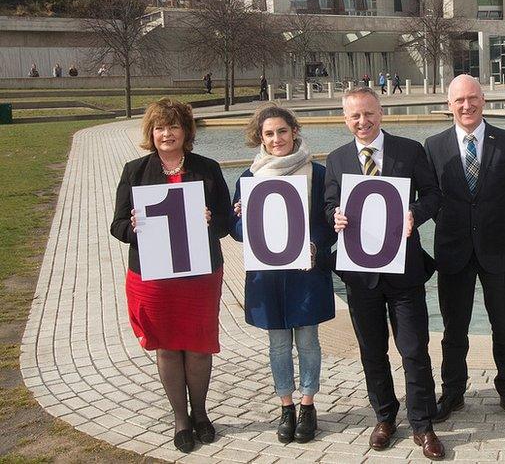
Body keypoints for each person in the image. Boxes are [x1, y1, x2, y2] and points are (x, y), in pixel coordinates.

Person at [324, 87, 445, 459]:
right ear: (346, 119)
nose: (363, 122)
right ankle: (385, 417)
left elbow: (433, 195)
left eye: (369, 114)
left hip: (404, 270)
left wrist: (415, 214)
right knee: (372, 351)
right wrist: (335, 217)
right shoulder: (337, 159)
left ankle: (423, 424)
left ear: (381, 112)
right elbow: (329, 203)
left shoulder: (409, 151)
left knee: (414, 348)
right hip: (361, 277)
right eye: (355, 116)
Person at [110, 98, 232, 454]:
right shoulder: (134, 171)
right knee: (166, 345)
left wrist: (213, 221)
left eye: (174, 126)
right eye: (160, 127)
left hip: (199, 275)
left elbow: (227, 223)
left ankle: (202, 414)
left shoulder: (207, 169)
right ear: (151, 132)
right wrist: (133, 228)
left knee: (197, 345)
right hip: (154, 276)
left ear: (186, 131)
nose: (167, 133)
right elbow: (116, 225)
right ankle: (180, 419)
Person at [424, 74, 505, 425]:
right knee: (454, 329)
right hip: (453, 251)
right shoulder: (433, 146)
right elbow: (431, 197)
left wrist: (499, 225)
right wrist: (454, 226)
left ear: (484, 100)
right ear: (448, 105)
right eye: (458, 101)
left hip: (498, 248)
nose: (466, 106)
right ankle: (453, 391)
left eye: (472, 98)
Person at [229, 104, 336, 444]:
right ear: (259, 138)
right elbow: (236, 231)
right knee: (277, 345)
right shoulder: (248, 178)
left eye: (282, 131)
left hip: (306, 272)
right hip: (268, 276)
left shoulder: (317, 174)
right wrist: (243, 218)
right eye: (269, 134)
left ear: (294, 132)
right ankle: (285, 405)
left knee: (307, 341)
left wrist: (317, 245)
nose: (277, 139)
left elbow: (330, 223)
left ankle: (308, 404)